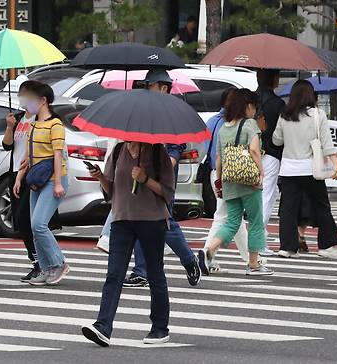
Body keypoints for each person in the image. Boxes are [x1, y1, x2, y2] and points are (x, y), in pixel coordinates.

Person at [82, 141, 175, 346]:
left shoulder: (158, 152)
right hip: (122, 219)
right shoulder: (118, 151)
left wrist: (145, 179)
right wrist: (100, 178)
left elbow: (168, 191)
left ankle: (160, 328)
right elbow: (111, 190)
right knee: (114, 274)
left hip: (152, 221)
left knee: (154, 273)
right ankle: (103, 326)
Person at [124, 69, 200, 288]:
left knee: (164, 222)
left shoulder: (174, 111)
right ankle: (141, 271)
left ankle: (189, 260)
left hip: (162, 173)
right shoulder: (144, 109)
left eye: (151, 86)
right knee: (139, 218)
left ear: (163, 87)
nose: (147, 89)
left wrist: (165, 168)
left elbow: (177, 147)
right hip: (141, 169)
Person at [198, 89, 274, 276]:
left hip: (229, 180)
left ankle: (208, 251)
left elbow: (218, 158)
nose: (254, 111)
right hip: (249, 180)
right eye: (254, 107)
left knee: (231, 221)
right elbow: (255, 150)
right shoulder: (250, 125)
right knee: (255, 222)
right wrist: (261, 172)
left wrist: (220, 181)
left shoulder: (224, 128)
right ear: (248, 106)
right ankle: (254, 264)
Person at [272, 80, 337, 259]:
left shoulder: (284, 115)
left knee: (288, 208)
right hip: (311, 169)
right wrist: (335, 165)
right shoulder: (318, 115)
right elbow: (327, 143)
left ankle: (288, 247)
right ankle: (326, 246)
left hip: (289, 169)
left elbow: (276, 141)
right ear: (311, 95)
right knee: (321, 205)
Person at [12, 82, 69, 286]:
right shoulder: (35, 124)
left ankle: (59, 263)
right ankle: (45, 269)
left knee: (39, 224)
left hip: (53, 179)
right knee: (34, 226)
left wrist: (58, 184)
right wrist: (20, 177)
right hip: (37, 179)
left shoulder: (56, 124)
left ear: (43, 100)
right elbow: (28, 155)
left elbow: (58, 155)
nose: (26, 103)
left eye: (29, 99)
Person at [3, 80, 60, 282]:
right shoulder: (18, 118)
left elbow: (54, 150)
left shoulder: (43, 119)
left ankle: (46, 263)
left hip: (36, 174)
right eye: (20, 94)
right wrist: (10, 127)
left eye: (25, 94)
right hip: (16, 172)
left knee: (30, 220)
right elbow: (7, 146)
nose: (22, 98)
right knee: (20, 220)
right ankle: (37, 263)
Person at [203, 88, 250, 272]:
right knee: (223, 216)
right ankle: (206, 255)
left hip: (215, 173)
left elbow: (208, 151)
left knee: (234, 217)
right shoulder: (233, 124)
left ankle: (251, 259)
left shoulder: (212, 121)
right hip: (230, 175)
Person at [256, 69, 285, 256]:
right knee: (266, 196)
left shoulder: (249, 98)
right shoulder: (277, 103)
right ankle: (259, 242)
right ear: (274, 79)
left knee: (257, 195)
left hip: (248, 152)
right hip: (271, 153)